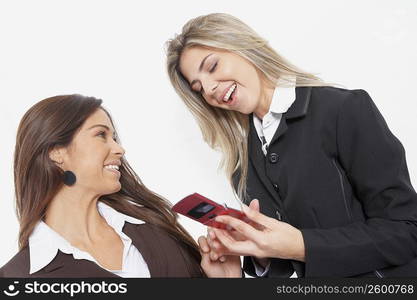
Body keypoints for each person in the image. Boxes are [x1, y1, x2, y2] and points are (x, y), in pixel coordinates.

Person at [166, 13, 417, 277]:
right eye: (198, 88)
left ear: (243, 47)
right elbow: (287, 264)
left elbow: (407, 229)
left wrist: (302, 246)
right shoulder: (242, 164)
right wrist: (258, 253)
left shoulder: (342, 110)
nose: (209, 89)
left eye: (213, 66)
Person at [0, 94, 241, 278]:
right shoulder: (17, 277)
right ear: (56, 152)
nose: (119, 149)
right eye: (101, 135)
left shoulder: (158, 232)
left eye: (114, 137)